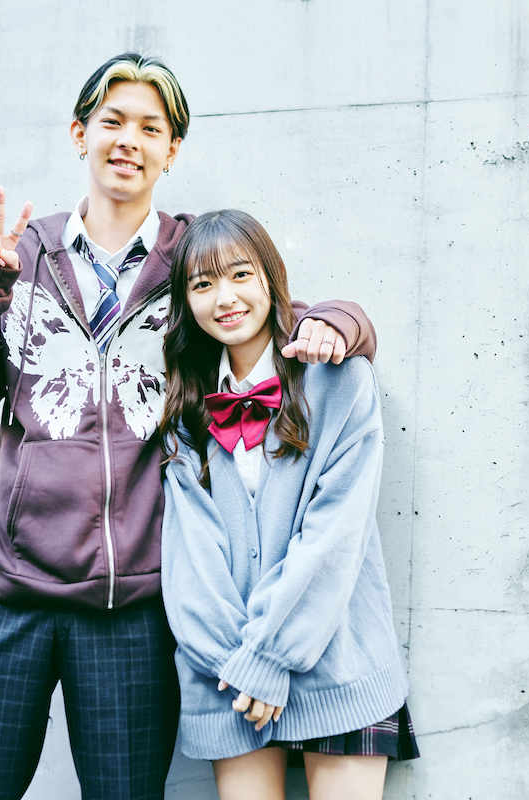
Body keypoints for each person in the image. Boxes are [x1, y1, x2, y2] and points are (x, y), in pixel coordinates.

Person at [0, 54, 378, 800]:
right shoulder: (21, 254)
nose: (129, 140)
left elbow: (277, 315)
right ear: (81, 134)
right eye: (112, 122)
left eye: (150, 127)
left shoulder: (191, 258)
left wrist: (342, 320)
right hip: (7, 588)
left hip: (131, 604)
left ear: (173, 149)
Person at [159, 210, 418, 800]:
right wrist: (241, 664)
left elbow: (335, 533)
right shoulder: (184, 410)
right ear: (186, 302)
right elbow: (190, 561)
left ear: (272, 279)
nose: (225, 297)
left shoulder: (340, 380)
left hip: (338, 660)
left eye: (240, 275)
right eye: (203, 284)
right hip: (229, 677)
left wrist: (272, 655)